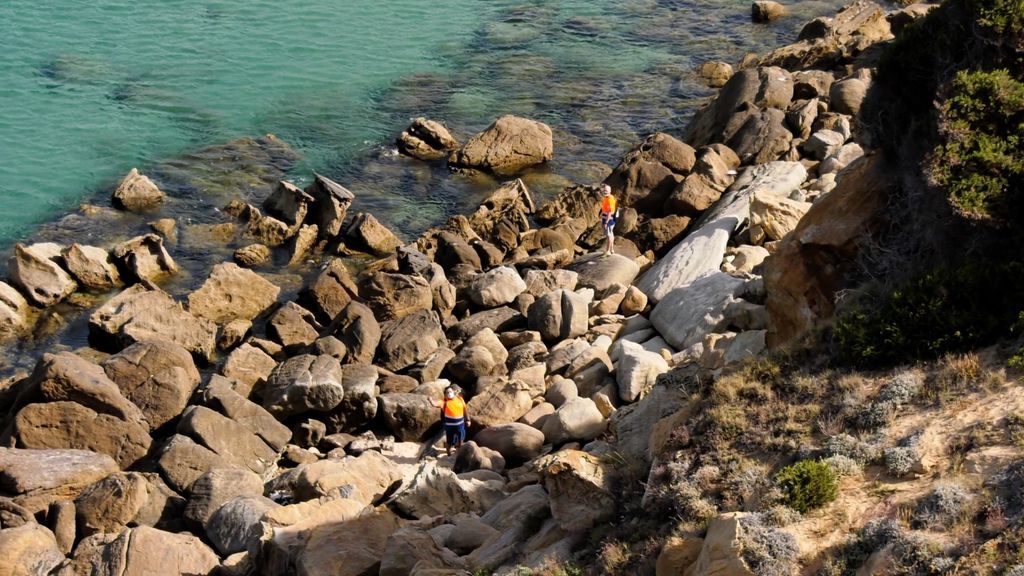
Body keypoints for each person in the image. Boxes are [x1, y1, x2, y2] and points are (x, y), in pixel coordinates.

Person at [440, 385, 470, 456]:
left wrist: (468, 420)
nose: (459, 392)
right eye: (457, 390)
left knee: (461, 439)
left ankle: (459, 451)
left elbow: (465, 410)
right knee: (449, 440)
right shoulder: (445, 401)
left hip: (460, 425)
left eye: (458, 391)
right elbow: (440, 409)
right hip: (449, 426)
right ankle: (448, 452)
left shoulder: (460, 399)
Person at [598, 184, 619, 256]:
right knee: (611, 234)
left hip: (609, 219)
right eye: (604, 190)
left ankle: (607, 251)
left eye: (606, 190)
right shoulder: (609, 197)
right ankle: (611, 249)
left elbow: (610, 212)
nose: (605, 191)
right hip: (610, 219)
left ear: (610, 191)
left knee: (608, 235)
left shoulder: (610, 200)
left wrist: (606, 222)